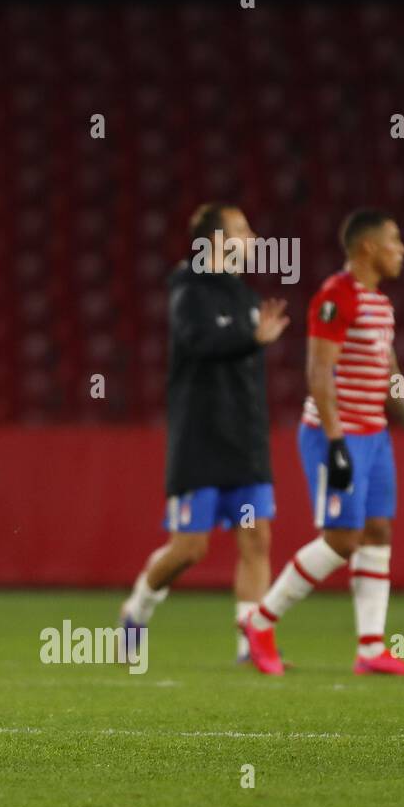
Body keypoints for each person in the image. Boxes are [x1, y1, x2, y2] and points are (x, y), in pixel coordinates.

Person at [243, 210, 404, 676]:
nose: (403, 249)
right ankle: (260, 620)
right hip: (337, 433)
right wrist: (335, 441)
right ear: (368, 248)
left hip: (373, 433)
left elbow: (391, 377)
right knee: (342, 539)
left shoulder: (379, 304)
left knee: (378, 533)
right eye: (395, 240)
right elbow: (318, 371)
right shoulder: (335, 297)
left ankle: (371, 648)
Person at [119, 204, 289, 660]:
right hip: (200, 442)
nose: (254, 237)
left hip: (245, 443)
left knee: (256, 539)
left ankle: (249, 644)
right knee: (190, 549)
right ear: (215, 240)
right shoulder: (188, 291)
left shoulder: (247, 297)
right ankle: (137, 610)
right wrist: (252, 340)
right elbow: (199, 343)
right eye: (243, 229)